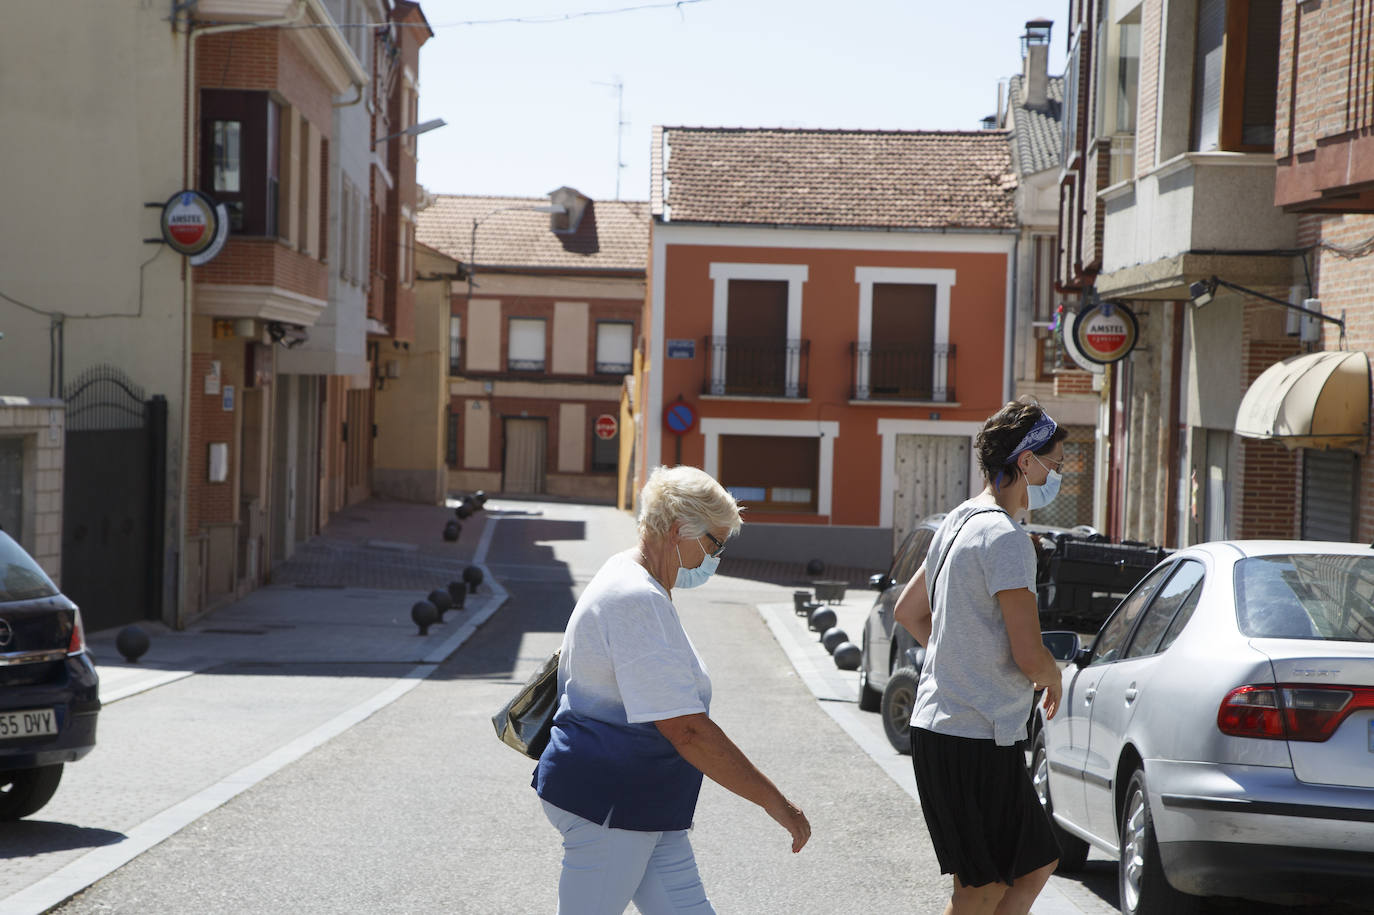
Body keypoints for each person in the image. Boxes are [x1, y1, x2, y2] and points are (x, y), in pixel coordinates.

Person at [534, 464, 811, 915]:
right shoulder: (635, 597)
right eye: (715, 543)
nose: (716, 557)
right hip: (613, 807)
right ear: (681, 530)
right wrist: (776, 804)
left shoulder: (632, 577)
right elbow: (686, 730)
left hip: (644, 804)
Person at [892, 397, 1067, 915]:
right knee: (981, 889)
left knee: (1034, 863)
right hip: (970, 736)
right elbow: (1029, 653)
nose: (1054, 476)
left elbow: (909, 611)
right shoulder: (1009, 540)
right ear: (1025, 461)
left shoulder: (960, 519)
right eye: (1052, 465)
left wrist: (961, 657)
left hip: (962, 730)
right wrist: (1053, 677)